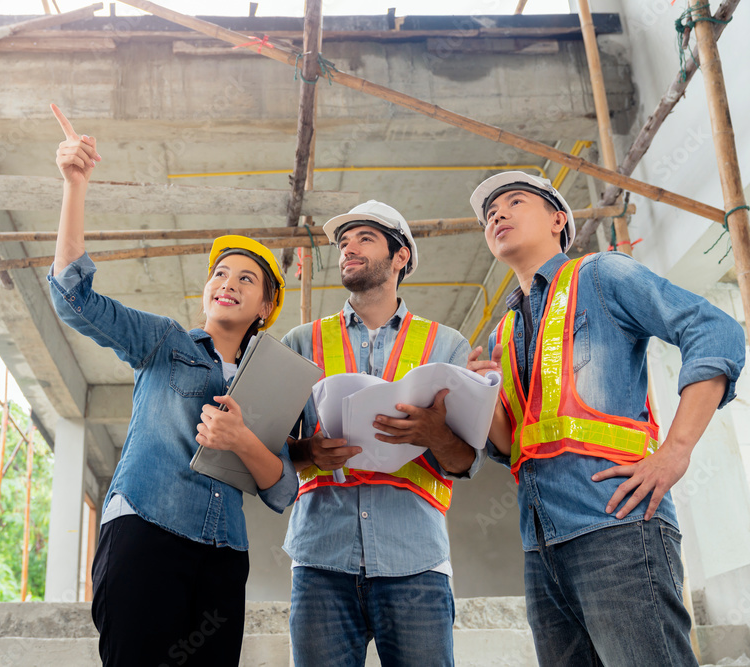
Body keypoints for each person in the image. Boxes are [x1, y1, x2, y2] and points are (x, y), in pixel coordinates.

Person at [45, 104, 299, 667]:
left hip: (223, 556)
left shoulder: (271, 382)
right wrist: (74, 185)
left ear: (266, 306)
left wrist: (241, 440)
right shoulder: (165, 343)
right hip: (147, 533)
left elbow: (281, 489)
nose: (226, 283)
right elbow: (72, 296)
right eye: (219, 274)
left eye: (245, 279)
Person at [467, 171, 746, 666]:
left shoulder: (602, 275)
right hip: (541, 548)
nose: (498, 215)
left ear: (559, 220)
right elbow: (513, 446)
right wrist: (480, 395)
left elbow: (713, 329)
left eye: (513, 202)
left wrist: (675, 451)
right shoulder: (502, 334)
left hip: (616, 526)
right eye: (490, 214)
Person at [281, 200, 485, 667]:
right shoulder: (300, 343)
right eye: (343, 242)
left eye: (364, 238)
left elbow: (465, 462)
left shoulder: (445, 345)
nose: (348, 248)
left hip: (415, 561)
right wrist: (307, 450)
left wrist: (435, 433)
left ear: (401, 258)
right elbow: (269, 454)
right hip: (320, 561)